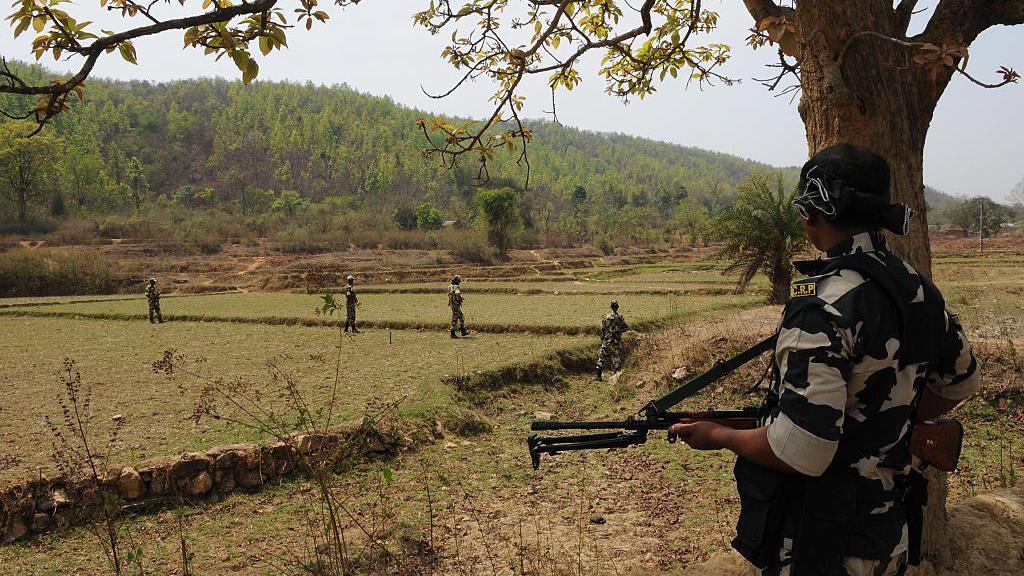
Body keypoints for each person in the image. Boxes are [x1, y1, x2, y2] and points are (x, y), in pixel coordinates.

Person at [668, 144, 979, 576]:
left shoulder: (820, 302)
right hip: (891, 539)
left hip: (824, 544)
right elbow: (962, 381)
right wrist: (889, 422)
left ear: (813, 213)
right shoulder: (919, 289)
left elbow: (803, 450)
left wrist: (718, 435)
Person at [596, 300, 628, 381]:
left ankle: (598, 376)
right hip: (616, 341)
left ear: (611, 307)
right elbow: (626, 327)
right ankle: (615, 377)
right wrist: (619, 331)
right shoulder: (620, 318)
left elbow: (602, 329)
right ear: (617, 307)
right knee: (616, 358)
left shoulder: (605, 317)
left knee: (602, 358)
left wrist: (603, 338)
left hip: (606, 341)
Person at [448, 274, 468, 339]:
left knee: (461, 317)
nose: (459, 282)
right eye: (459, 281)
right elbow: (457, 293)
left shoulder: (450, 287)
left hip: (452, 305)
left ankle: (463, 331)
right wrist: (460, 298)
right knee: (455, 319)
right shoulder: (456, 287)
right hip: (456, 305)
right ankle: (452, 334)